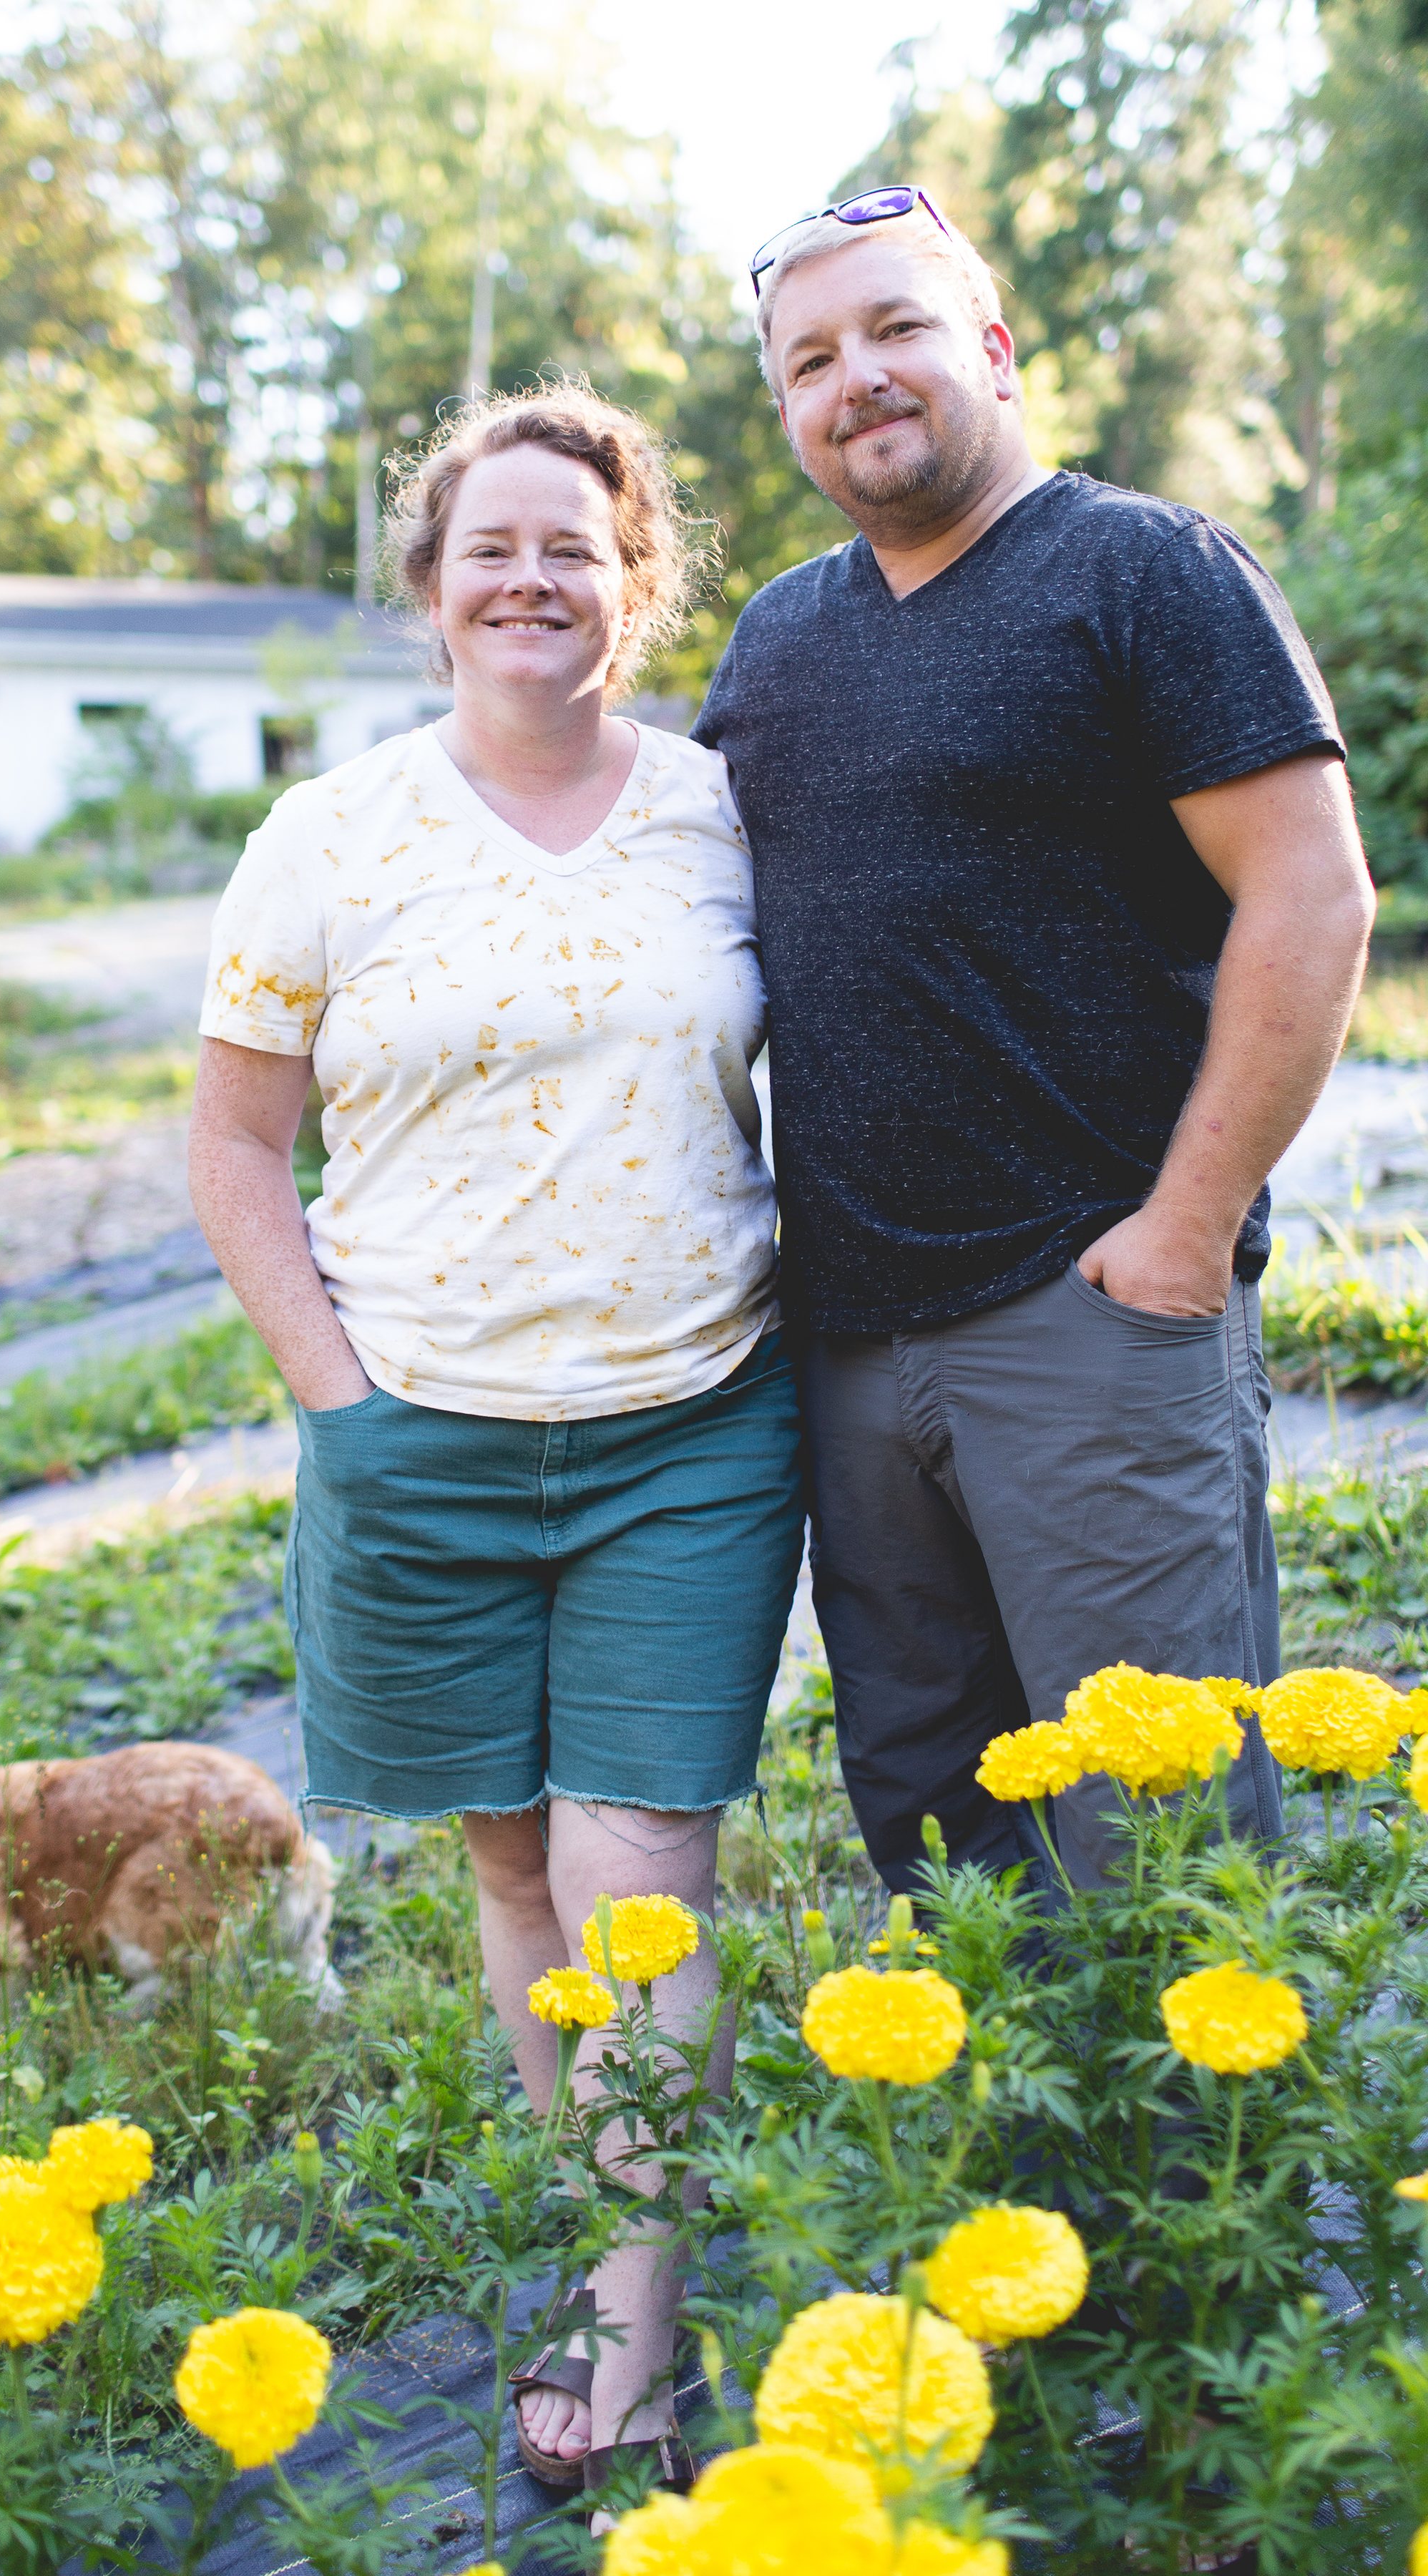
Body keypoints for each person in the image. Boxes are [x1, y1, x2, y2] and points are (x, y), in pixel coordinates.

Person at [188, 384, 803, 2507]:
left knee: (641, 1875)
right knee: (516, 1867)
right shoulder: (330, 836)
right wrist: (339, 1404)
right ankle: (582, 2229)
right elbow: (237, 1147)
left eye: (575, 546)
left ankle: (632, 2315)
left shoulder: (725, 813)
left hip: (689, 1426)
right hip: (419, 1442)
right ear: (434, 587)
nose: (532, 579)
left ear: (636, 583)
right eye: (492, 547)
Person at [693, 186, 1374, 1893]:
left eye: (897, 328)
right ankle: (999, 2093)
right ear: (785, 411)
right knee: (938, 1819)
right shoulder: (775, 642)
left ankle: (1184, 2093)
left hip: (1092, 1310)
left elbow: (1312, 900)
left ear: (993, 350)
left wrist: (1187, 1231)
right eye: (810, 359)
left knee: (1157, 1833)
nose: (857, 378)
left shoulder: (1145, 571)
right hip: (849, 1342)